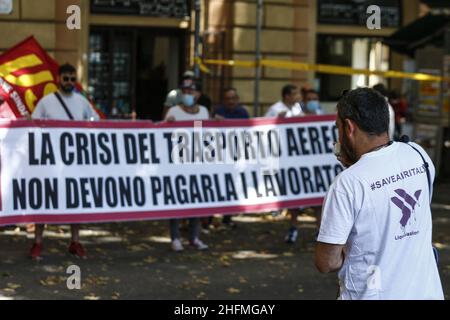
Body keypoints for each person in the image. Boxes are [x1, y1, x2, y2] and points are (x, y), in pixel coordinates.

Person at [315, 87, 444, 300]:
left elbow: (326, 262)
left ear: (348, 127)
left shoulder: (347, 183)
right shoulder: (418, 154)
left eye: (337, 127)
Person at [30, 63, 100, 260]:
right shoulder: (46, 102)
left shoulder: (82, 102)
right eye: (65, 78)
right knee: (44, 199)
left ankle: (75, 241)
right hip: (50, 161)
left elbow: (95, 123)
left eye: (72, 78)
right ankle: (37, 242)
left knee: (75, 200)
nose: (69, 82)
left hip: (76, 160)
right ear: (58, 79)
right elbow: (34, 126)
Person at [165, 81, 209, 252]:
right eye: (184, 91)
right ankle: (175, 238)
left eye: (191, 91)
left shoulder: (204, 111)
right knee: (176, 201)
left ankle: (194, 237)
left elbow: (204, 132)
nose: (187, 94)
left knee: (196, 200)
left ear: (198, 94)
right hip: (177, 163)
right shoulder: (174, 111)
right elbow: (163, 135)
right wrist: (168, 124)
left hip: (197, 161)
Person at [265, 84, 303, 243]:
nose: (298, 96)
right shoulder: (275, 108)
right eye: (295, 94)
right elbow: (263, 127)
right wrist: (277, 121)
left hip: (295, 154)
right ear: (287, 96)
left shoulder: (297, 108)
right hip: (279, 153)